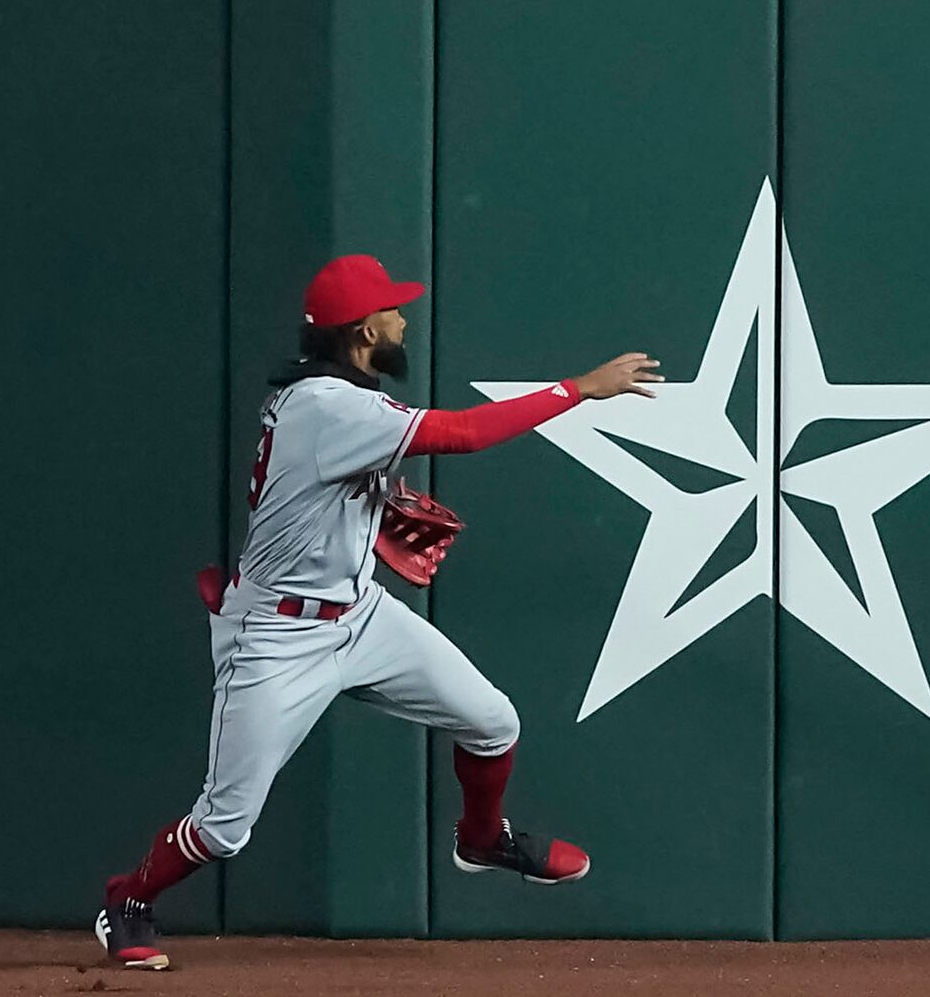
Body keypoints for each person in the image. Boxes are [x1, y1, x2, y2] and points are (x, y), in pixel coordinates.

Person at [94, 254, 662, 974]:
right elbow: (463, 434)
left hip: (358, 615)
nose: (401, 319)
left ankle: (482, 838)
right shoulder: (331, 406)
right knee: (224, 826)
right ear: (365, 330)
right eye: (392, 312)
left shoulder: (328, 396)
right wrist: (580, 388)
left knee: (492, 722)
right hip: (277, 634)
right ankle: (128, 898)